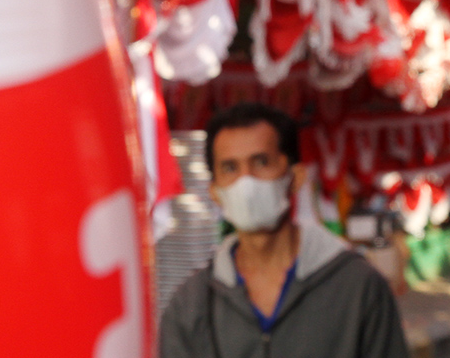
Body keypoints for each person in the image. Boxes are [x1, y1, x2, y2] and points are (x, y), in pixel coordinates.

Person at [160, 102, 410, 357]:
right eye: (230, 168)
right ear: (214, 191)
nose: (246, 182)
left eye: (261, 162)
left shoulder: (358, 287)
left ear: (295, 177)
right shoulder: (190, 305)